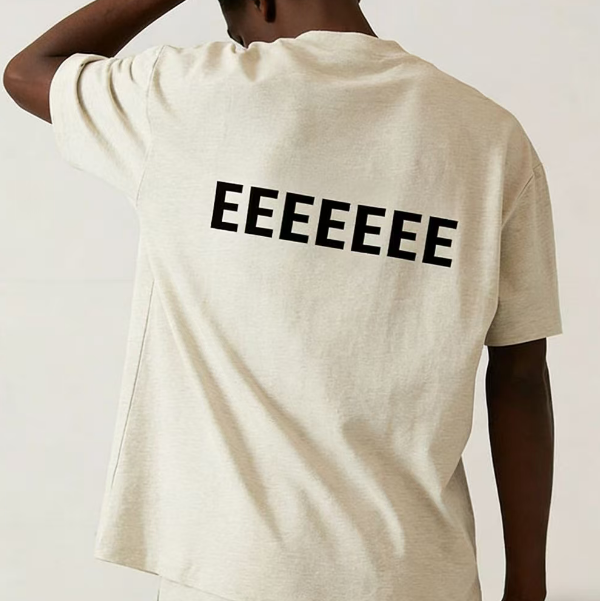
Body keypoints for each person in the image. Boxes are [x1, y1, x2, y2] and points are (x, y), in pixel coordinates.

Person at [4, 1, 563, 600]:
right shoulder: (490, 137)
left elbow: (28, 71)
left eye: (234, 27)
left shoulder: (189, 96)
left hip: (234, 572)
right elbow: (521, 376)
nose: (239, 42)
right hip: (418, 574)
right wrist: (528, 586)